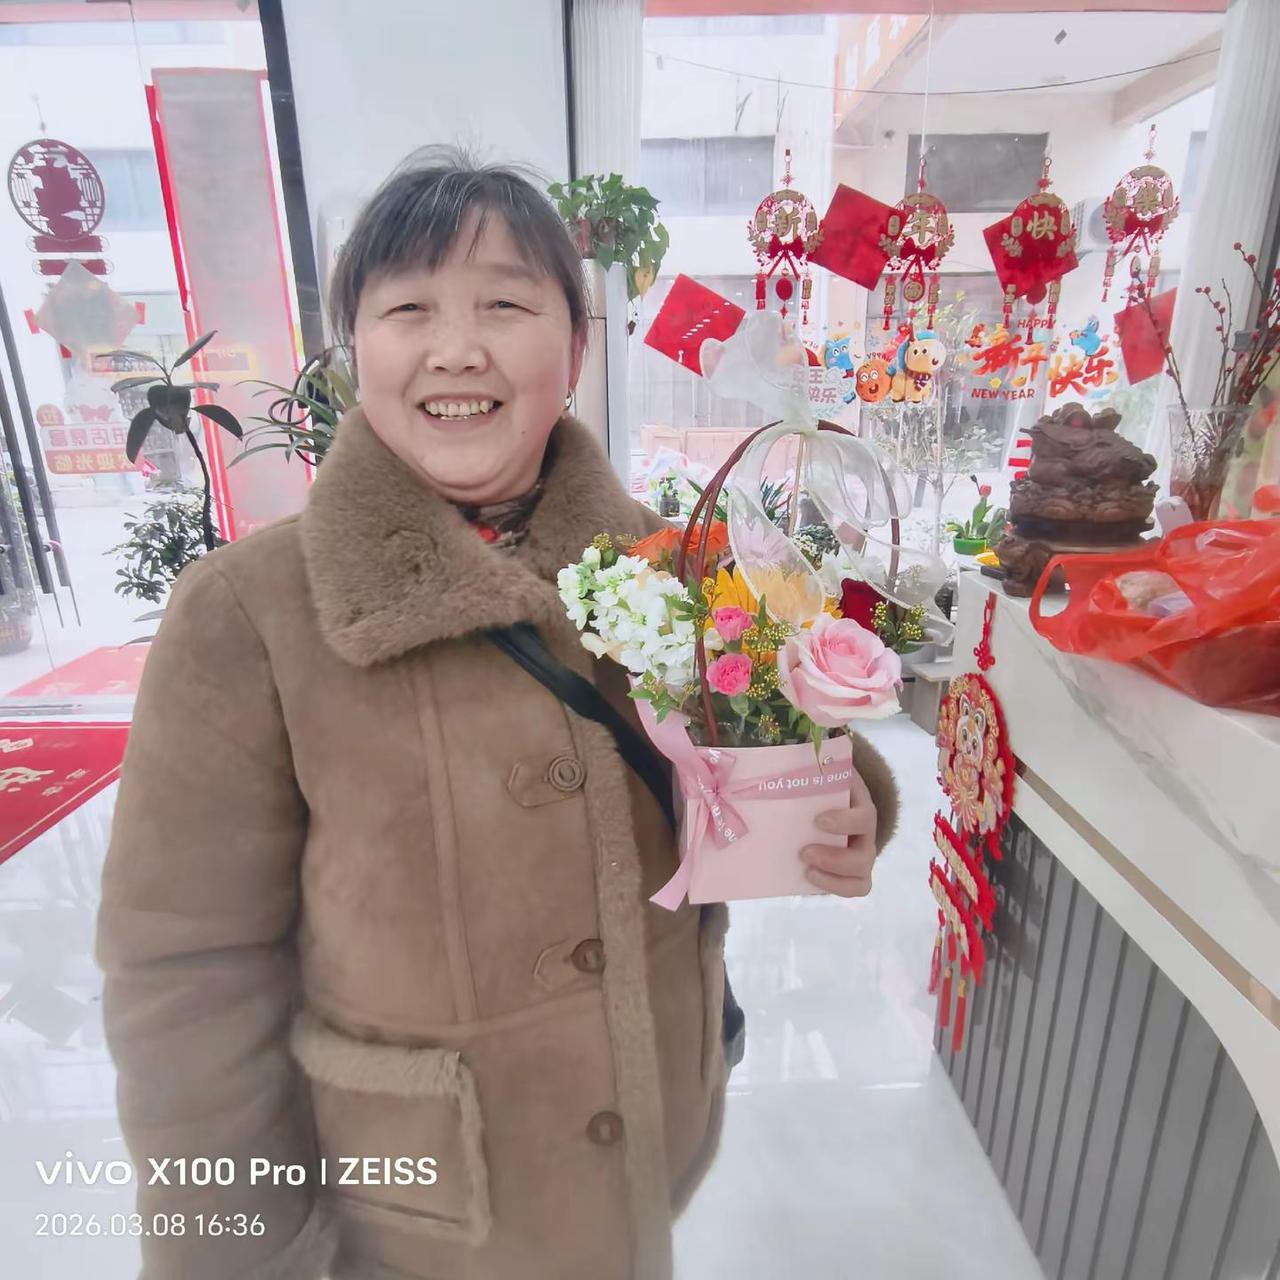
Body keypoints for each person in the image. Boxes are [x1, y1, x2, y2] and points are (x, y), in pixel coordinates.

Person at [95, 148, 899, 1280]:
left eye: (506, 305)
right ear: (353, 351)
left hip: (647, 1137)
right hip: (419, 1213)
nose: (456, 348)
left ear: (574, 349)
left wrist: (847, 804)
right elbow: (185, 973)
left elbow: (775, 739)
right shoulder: (248, 614)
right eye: (407, 309)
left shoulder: (668, 559)